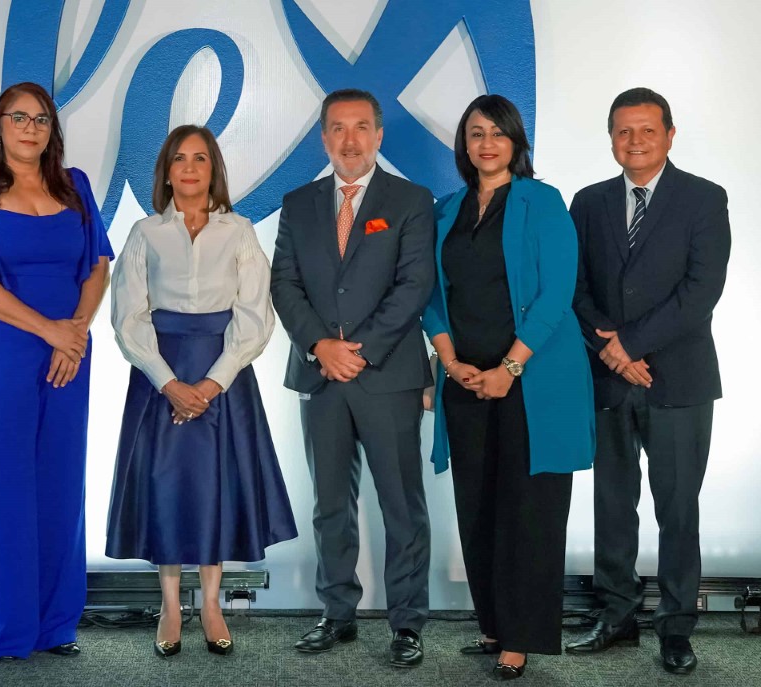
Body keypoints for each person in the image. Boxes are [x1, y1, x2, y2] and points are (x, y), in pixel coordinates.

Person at [0, 82, 113, 660]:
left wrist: (75, 331)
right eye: (19, 117)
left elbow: (98, 266)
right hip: (5, 352)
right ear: (0, 125)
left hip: (70, 354)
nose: (30, 127)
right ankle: (11, 628)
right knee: (8, 484)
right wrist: (51, 331)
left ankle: (57, 625)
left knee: (62, 483)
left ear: (51, 129)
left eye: (40, 118)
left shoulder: (75, 185)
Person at [106, 124, 297, 658]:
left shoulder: (239, 231)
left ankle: (211, 604)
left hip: (223, 375)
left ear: (214, 170)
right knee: (166, 486)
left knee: (217, 484)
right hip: (160, 376)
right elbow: (128, 315)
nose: (189, 168)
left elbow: (255, 314)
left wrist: (213, 382)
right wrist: (168, 383)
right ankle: (170, 605)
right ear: (166, 172)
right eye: (179, 159)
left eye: (200, 159)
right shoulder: (145, 233)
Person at [422, 95, 594, 680]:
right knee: (477, 507)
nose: (487, 143)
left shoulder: (542, 202)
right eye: (476, 133)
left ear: (517, 142)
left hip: (531, 381)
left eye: (498, 133)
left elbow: (556, 293)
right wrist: (450, 361)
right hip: (465, 379)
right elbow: (430, 293)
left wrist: (510, 368)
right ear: (464, 145)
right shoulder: (446, 210)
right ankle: (494, 625)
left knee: (529, 511)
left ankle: (521, 638)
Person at [565, 88, 731, 676]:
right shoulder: (588, 202)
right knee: (612, 505)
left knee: (677, 510)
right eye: (623, 131)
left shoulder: (705, 198)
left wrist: (630, 345)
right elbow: (575, 287)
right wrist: (611, 352)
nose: (634, 141)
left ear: (669, 134)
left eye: (647, 130)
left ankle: (676, 627)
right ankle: (616, 616)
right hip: (608, 380)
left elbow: (702, 290)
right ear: (611, 137)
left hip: (678, 380)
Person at [270, 89, 434, 668]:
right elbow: (284, 283)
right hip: (321, 376)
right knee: (330, 504)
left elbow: (414, 285)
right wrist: (321, 346)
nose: (350, 139)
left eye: (361, 127)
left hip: (386, 374)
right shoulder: (298, 204)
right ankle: (336, 613)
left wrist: (358, 352)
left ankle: (407, 622)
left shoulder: (411, 200)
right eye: (338, 128)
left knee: (401, 505)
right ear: (324, 138)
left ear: (378, 135)